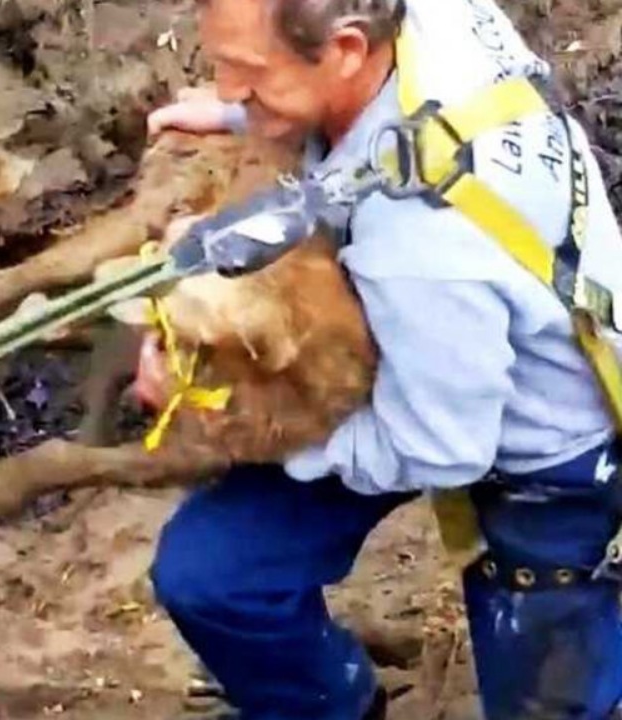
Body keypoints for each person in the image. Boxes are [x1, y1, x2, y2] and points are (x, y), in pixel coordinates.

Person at [142, 0, 622, 717]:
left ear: (343, 49)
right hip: (410, 355)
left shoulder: (422, 248)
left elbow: (444, 448)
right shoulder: (431, 16)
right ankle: (325, 702)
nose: (225, 87)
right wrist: (251, 116)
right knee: (213, 574)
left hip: (541, 446)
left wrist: (244, 427)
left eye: (246, 72)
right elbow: (366, 157)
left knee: (552, 697)